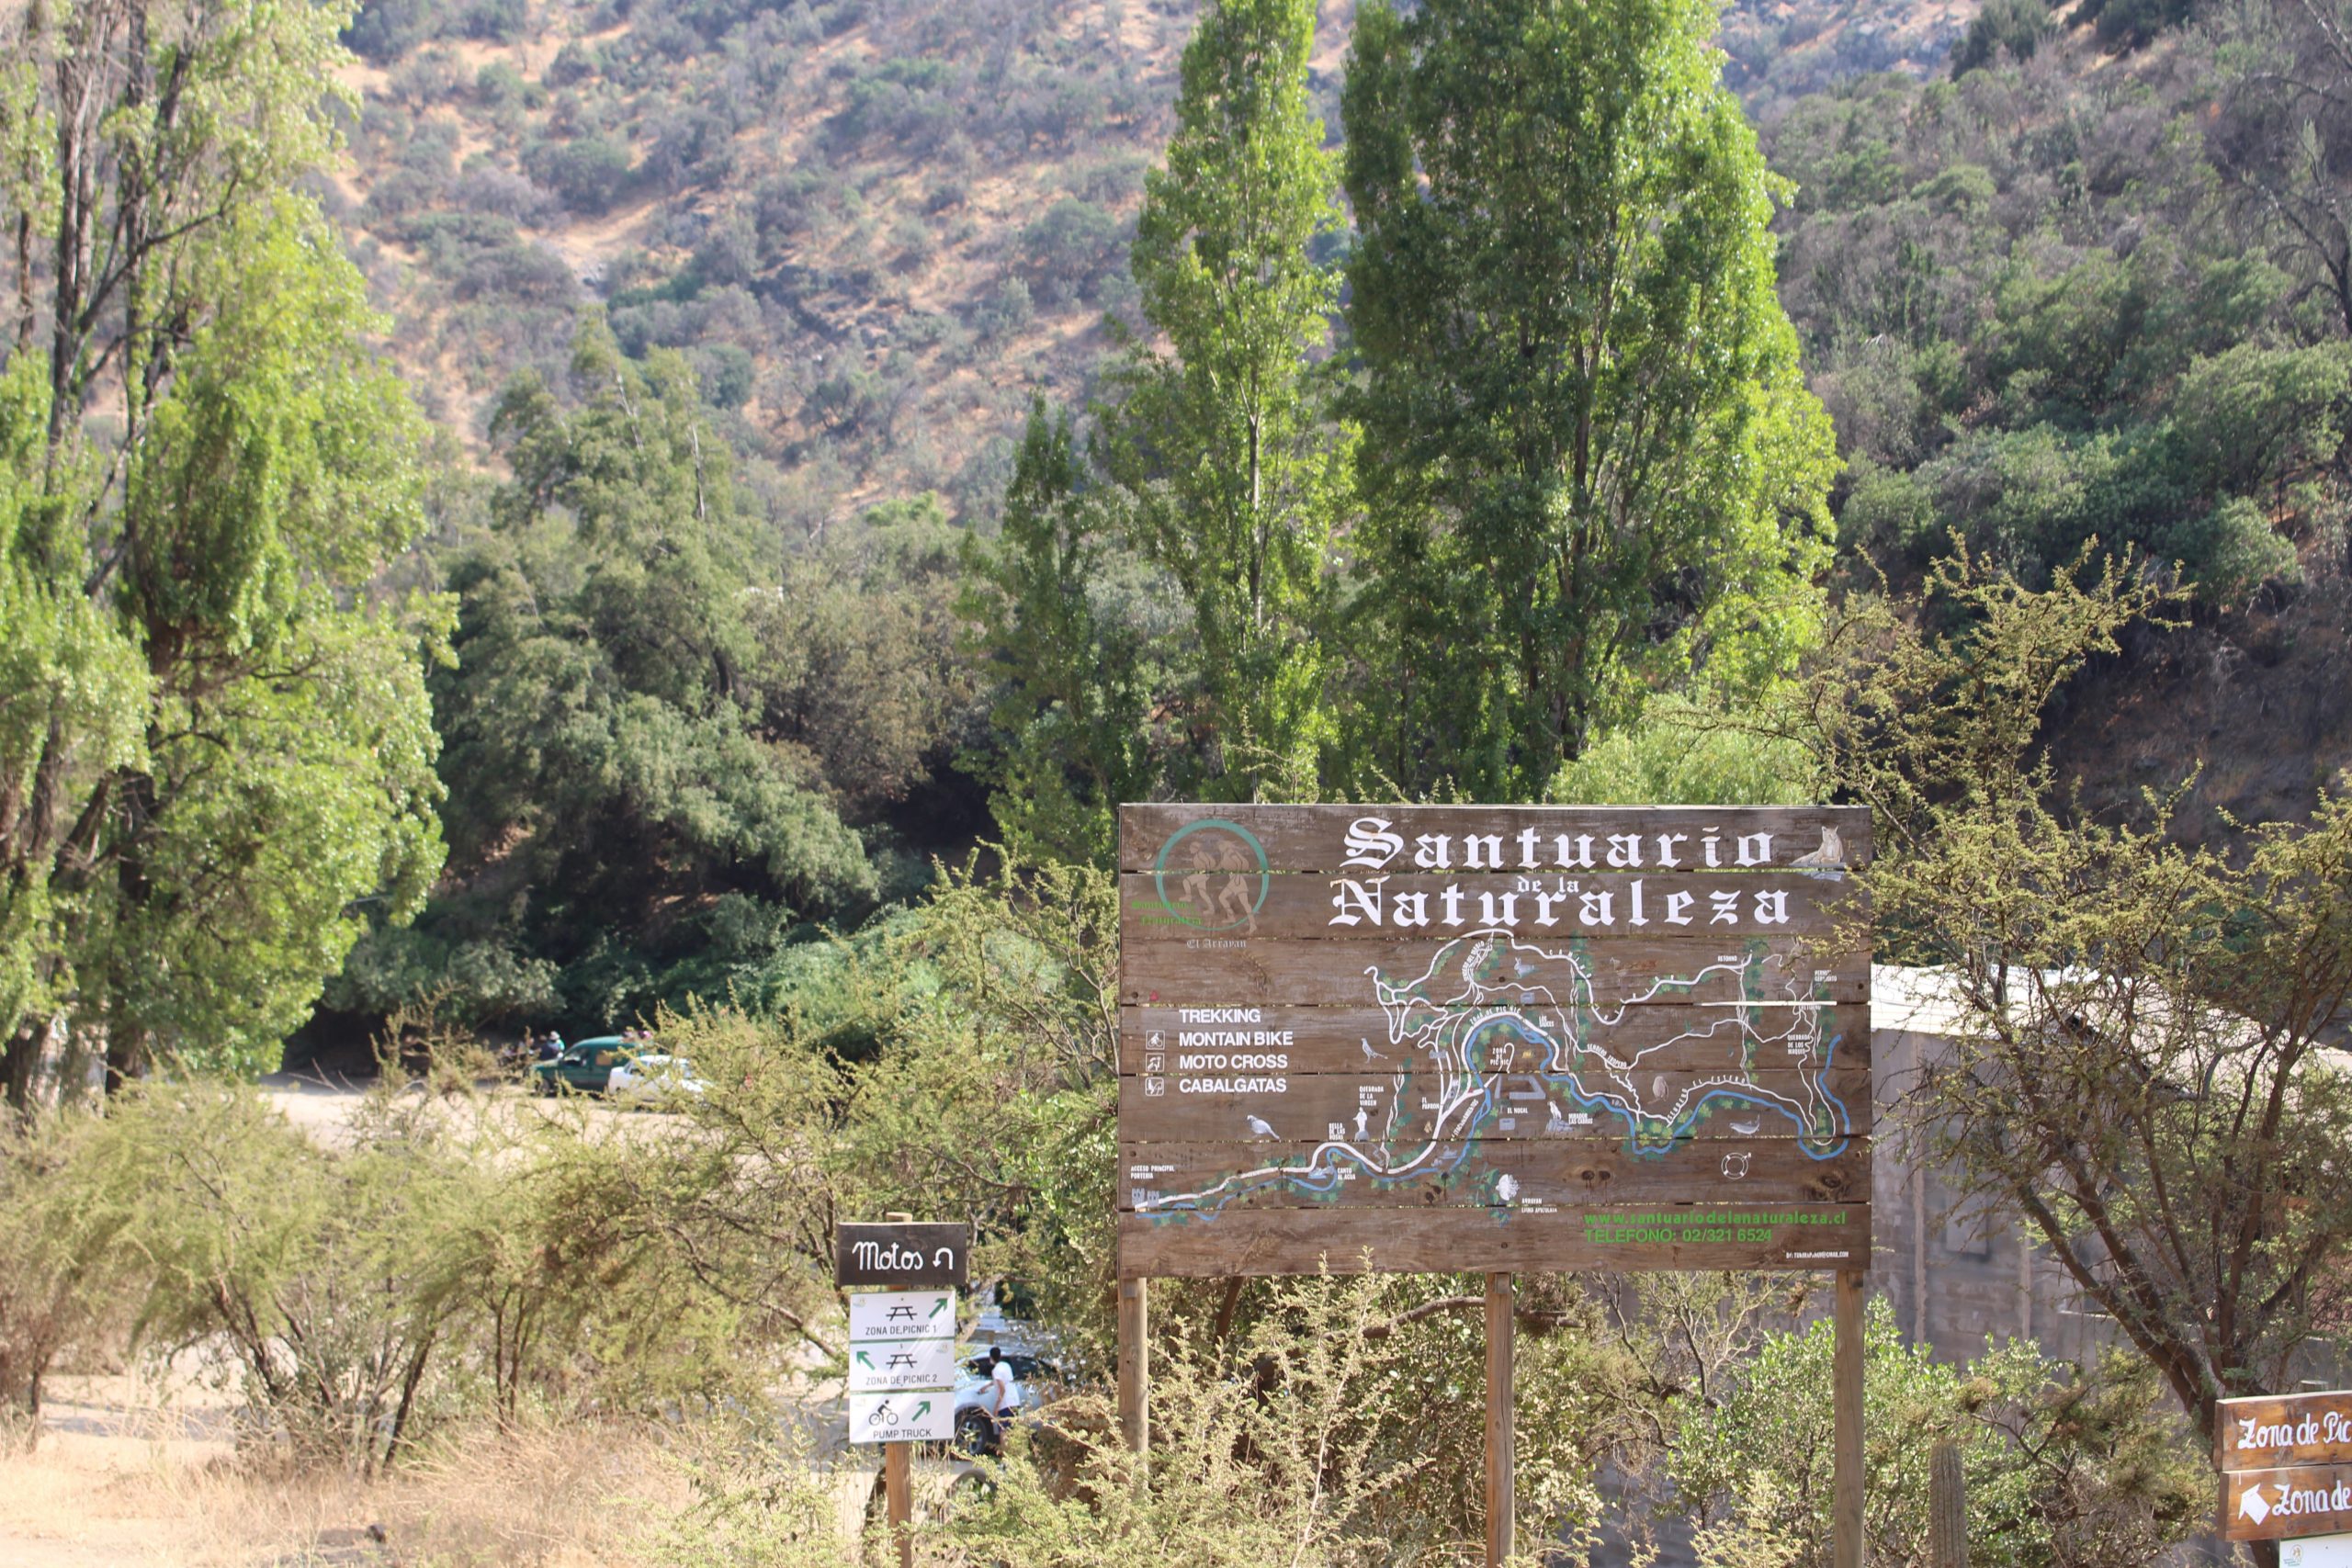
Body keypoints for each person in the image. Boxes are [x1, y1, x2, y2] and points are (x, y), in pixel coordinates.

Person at [984, 1346, 1021, 1450]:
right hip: (1015, 1401)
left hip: (1006, 1404)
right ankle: (1013, 1455)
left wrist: (996, 1407)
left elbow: (1002, 1389)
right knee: (1012, 1430)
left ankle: (1005, 1456)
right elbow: (1000, 1380)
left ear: (991, 1357)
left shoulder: (996, 1370)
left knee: (1003, 1430)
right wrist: (986, 1386)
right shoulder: (1006, 1366)